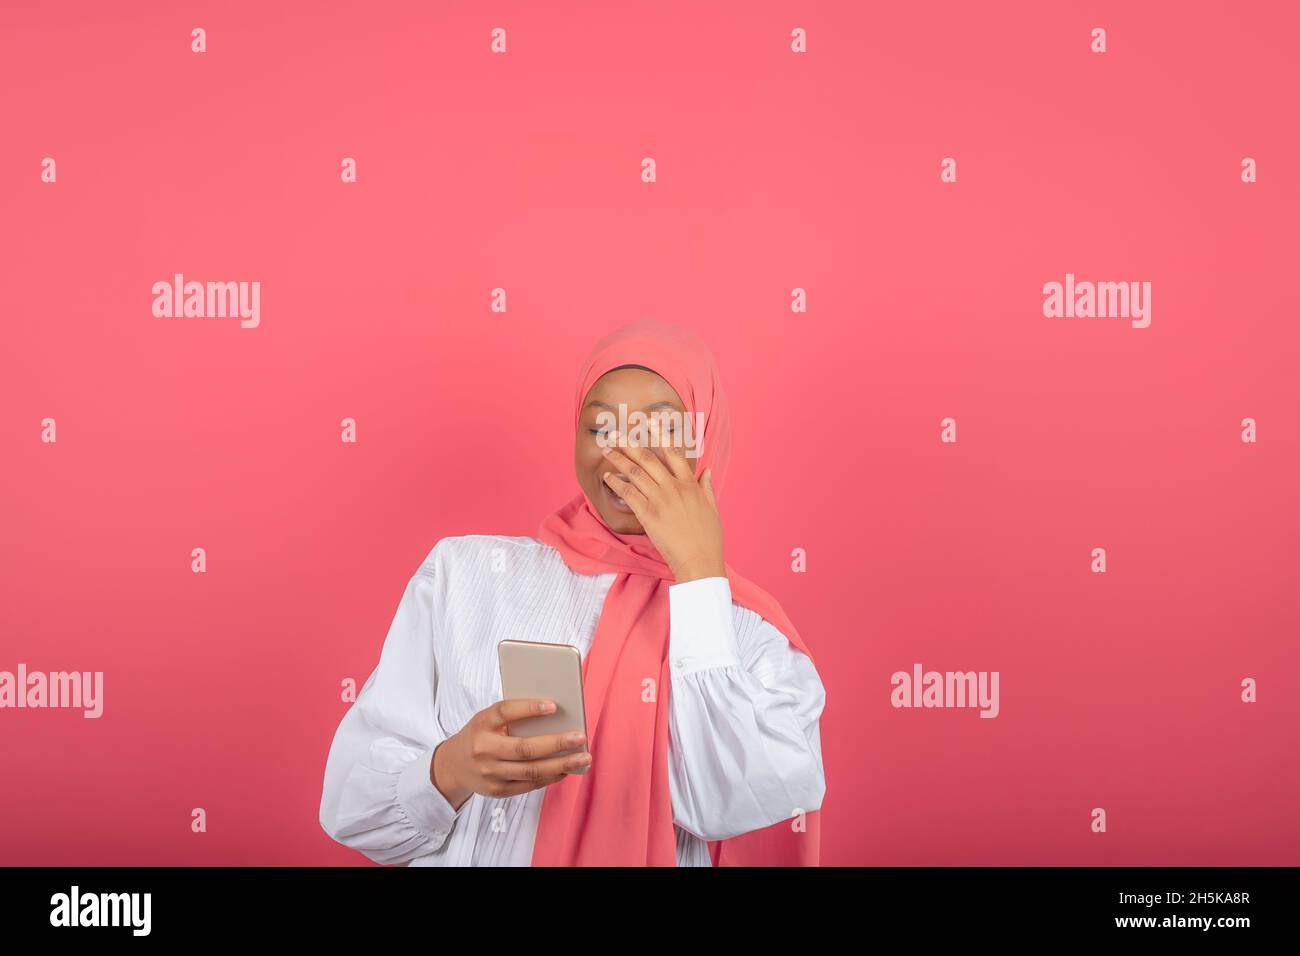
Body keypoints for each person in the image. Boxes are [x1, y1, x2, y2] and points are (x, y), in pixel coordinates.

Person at [318, 318, 827, 866]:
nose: (627, 455)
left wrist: (700, 575)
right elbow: (352, 809)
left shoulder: (753, 634)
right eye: (602, 428)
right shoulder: (463, 575)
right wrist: (451, 769)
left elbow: (724, 801)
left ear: (704, 441)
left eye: (659, 428)